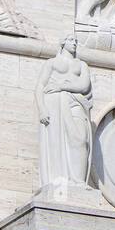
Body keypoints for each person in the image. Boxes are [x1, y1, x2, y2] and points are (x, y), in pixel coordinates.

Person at [33, 36, 94, 188]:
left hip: (75, 101)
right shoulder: (52, 62)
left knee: (80, 139)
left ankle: (78, 180)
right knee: (55, 141)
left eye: (76, 41)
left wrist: (61, 86)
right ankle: (58, 180)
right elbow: (40, 86)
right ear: (63, 43)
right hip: (54, 103)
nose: (74, 43)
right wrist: (41, 109)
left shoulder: (81, 64)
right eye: (71, 40)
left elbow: (84, 85)